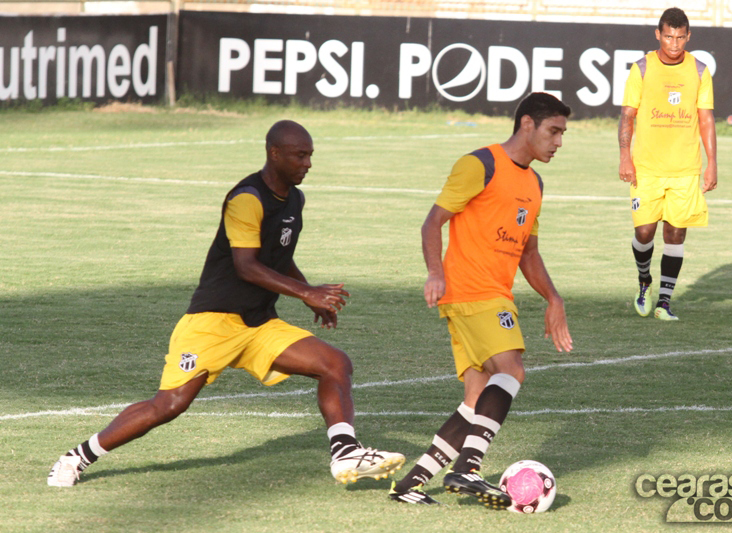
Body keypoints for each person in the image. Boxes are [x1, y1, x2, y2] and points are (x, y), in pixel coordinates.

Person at [48, 120, 404, 487]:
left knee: (334, 363)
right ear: (274, 153)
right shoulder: (246, 198)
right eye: (300, 155)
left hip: (258, 323)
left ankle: (345, 452)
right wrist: (306, 293)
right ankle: (77, 457)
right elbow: (246, 266)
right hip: (212, 323)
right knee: (169, 405)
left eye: (310, 155)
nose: (308, 163)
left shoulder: (295, 199)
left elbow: (278, 258)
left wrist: (307, 291)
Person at [389, 92, 573, 507]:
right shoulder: (480, 164)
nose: (559, 141)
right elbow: (433, 221)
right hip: (473, 291)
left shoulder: (534, 183)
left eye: (563, 133)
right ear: (527, 124)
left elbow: (529, 253)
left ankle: (411, 483)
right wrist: (435, 271)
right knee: (512, 370)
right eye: (554, 131)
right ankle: (468, 468)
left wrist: (553, 298)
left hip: (490, 295)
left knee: (477, 398)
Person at [619, 7, 718, 321]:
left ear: (688, 36)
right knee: (645, 231)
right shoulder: (642, 68)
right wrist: (624, 155)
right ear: (658, 35)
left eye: (679, 37)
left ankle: (664, 301)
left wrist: (712, 162)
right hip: (646, 168)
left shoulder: (700, 70)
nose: (674, 43)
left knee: (675, 235)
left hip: (686, 170)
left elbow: (706, 119)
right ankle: (644, 279)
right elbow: (627, 116)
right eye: (668, 36)